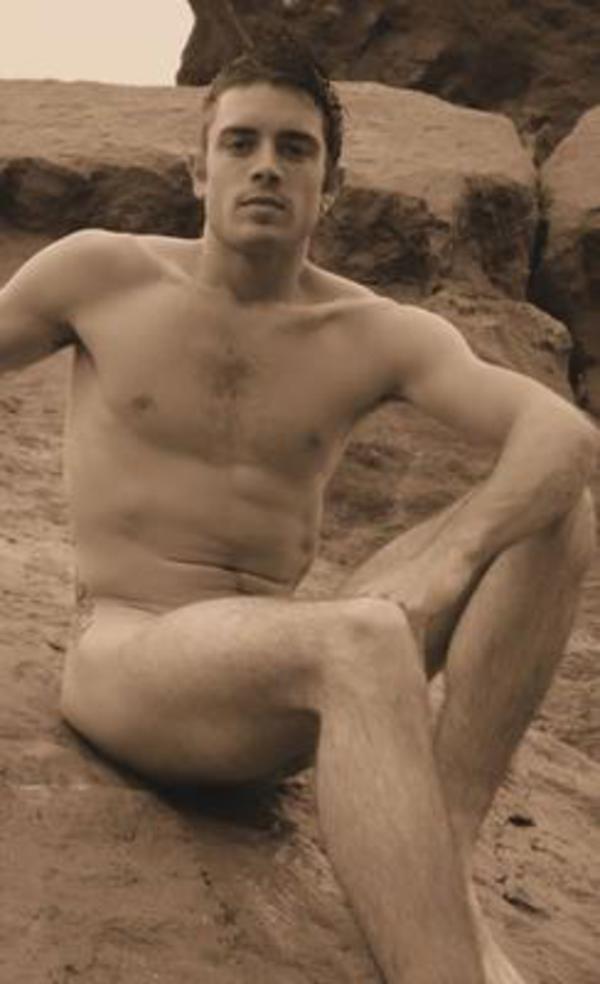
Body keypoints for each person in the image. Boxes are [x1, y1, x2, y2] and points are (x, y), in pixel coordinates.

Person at [0, 40, 596, 984]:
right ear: (198, 171)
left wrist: (454, 556)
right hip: (132, 655)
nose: (266, 167)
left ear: (333, 185)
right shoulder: (102, 276)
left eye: (295, 148)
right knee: (361, 638)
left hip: (276, 670)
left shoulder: (371, 332)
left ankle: (442, 857)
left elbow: (561, 433)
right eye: (240, 144)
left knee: (559, 512)